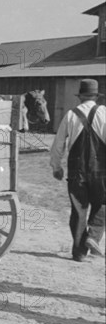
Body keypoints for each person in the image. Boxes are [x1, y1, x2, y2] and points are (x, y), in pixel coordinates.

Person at [50, 79, 106, 262]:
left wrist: (56, 167)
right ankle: (93, 237)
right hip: (101, 172)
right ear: (96, 97)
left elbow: (58, 144)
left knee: (78, 211)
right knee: (103, 205)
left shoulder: (70, 115)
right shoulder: (104, 113)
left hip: (76, 172)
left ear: (81, 96)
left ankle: (79, 253)